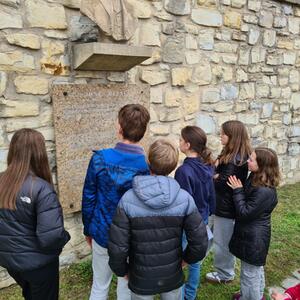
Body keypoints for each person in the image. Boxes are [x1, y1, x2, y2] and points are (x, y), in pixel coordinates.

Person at [108, 139, 208, 300]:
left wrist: (122, 270)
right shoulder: (185, 199)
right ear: (174, 165)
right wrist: (187, 260)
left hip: (141, 276)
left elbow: (117, 247)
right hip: (172, 273)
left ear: (148, 161)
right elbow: (200, 241)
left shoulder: (127, 199)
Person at [82, 104, 150, 300]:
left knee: (100, 284)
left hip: (104, 232)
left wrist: (89, 229)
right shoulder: (146, 165)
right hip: (130, 236)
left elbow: (89, 198)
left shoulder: (100, 159)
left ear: (119, 127)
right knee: (125, 283)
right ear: (143, 132)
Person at [0, 128, 70, 300]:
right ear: (40, 153)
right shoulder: (42, 189)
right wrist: (64, 237)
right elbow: (51, 238)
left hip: (11, 262)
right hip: (39, 265)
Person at [227, 147, 280, 300]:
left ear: (262, 165)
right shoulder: (256, 177)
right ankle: (251, 295)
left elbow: (244, 213)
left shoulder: (264, 190)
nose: (247, 161)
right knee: (254, 271)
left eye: (251, 159)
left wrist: (237, 190)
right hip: (250, 234)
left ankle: (251, 297)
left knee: (250, 274)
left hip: (254, 239)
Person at [206, 120, 251, 284]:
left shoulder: (236, 160)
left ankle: (225, 274)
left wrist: (214, 176)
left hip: (226, 207)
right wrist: (215, 173)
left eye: (222, 134)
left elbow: (224, 183)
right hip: (218, 204)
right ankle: (193, 259)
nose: (220, 136)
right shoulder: (229, 153)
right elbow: (216, 173)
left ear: (232, 136)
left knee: (222, 242)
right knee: (207, 234)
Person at [175, 126, 215, 300]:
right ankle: (189, 294)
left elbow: (183, 203)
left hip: (189, 221)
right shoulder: (207, 165)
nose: (179, 142)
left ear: (188, 144)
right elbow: (211, 195)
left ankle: (184, 294)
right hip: (203, 217)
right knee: (195, 259)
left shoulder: (183, 171)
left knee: (184, 259)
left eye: (181, 139)